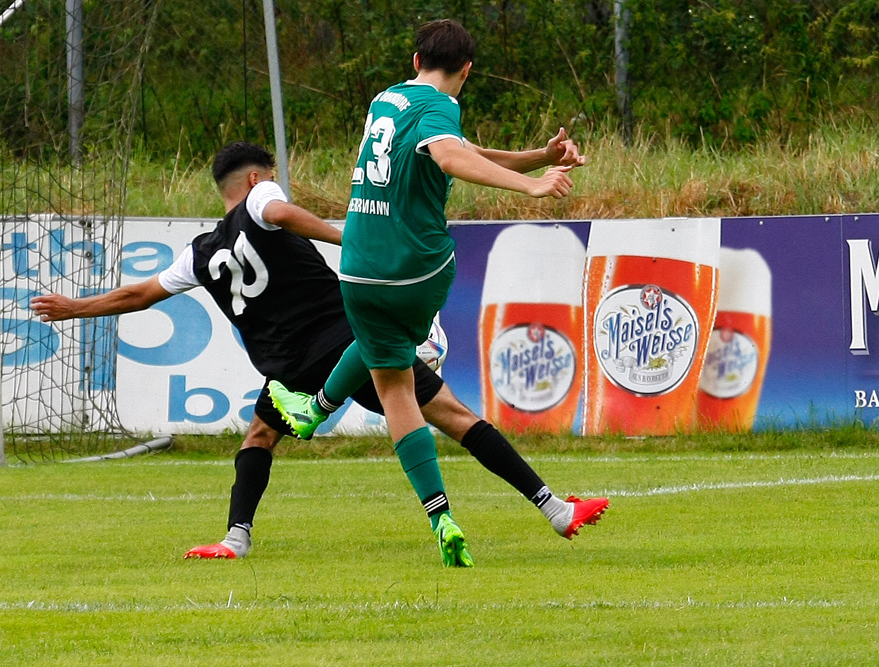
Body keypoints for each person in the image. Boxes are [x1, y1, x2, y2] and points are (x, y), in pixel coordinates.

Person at [30, 141, 607, 566]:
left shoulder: (199, 252)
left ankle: (235, 537)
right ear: (256, 177)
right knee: (454, 416)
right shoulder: (263, 197)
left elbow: (138, 294)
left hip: (286, 368)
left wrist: (74, 307)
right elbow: (278, 213)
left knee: (259, 437)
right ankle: (553, 507)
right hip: (347, 343)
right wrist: (346, 238)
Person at [269, 19, 592, 567]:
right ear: (466, 71)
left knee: (387, 368)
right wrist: (532, 185)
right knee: (392, 362)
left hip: (357, 266)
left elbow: (459, 148)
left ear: (415, 60)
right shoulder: (444, 110)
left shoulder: (385, 101)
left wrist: (537, 157)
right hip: (415, 272)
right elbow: (449, 155)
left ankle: (333, 423)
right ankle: (328, 402)